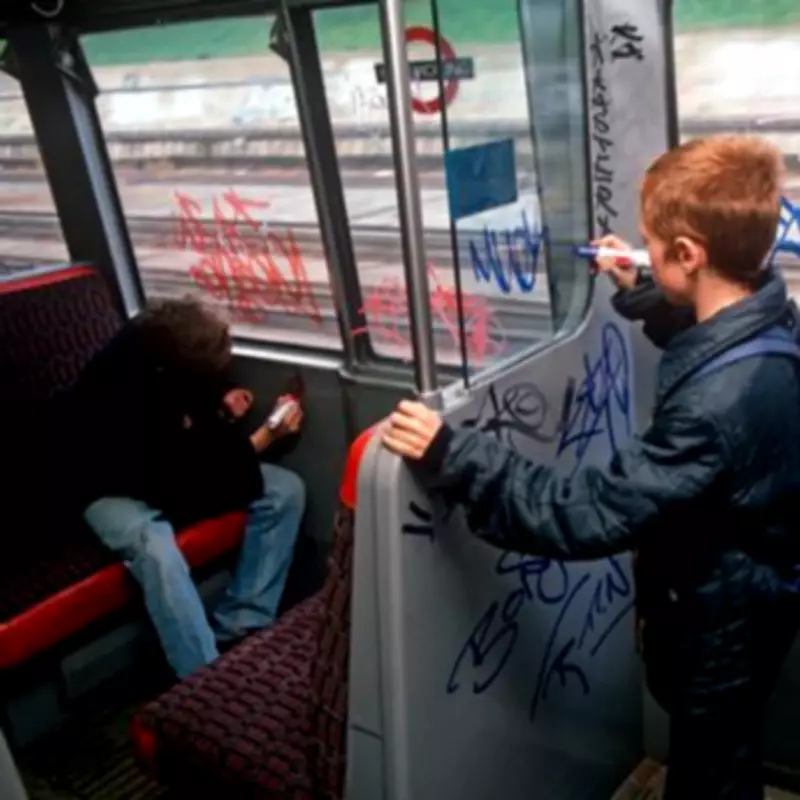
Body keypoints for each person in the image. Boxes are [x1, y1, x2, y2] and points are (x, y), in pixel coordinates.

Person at [383, 135, 800, 799]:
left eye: (651, 247)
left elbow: (586, 513)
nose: (641, 253)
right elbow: (715, 339)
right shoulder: (774, 316)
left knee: (708, 775)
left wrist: (453, 453)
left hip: (722, 629)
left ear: (689, 254)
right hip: (756, 602)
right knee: (728, 752)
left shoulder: (715, 408)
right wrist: (643, 290)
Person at [65, 298, 306, 680]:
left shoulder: (162, 352)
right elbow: (183, 480)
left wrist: (220, 404)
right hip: (107, 486)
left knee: (285, 490)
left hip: (166, 474)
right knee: (156, 550)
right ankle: (204, 678)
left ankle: (242, 625)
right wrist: (263, 438)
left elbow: (187, 436)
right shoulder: (120, 393)